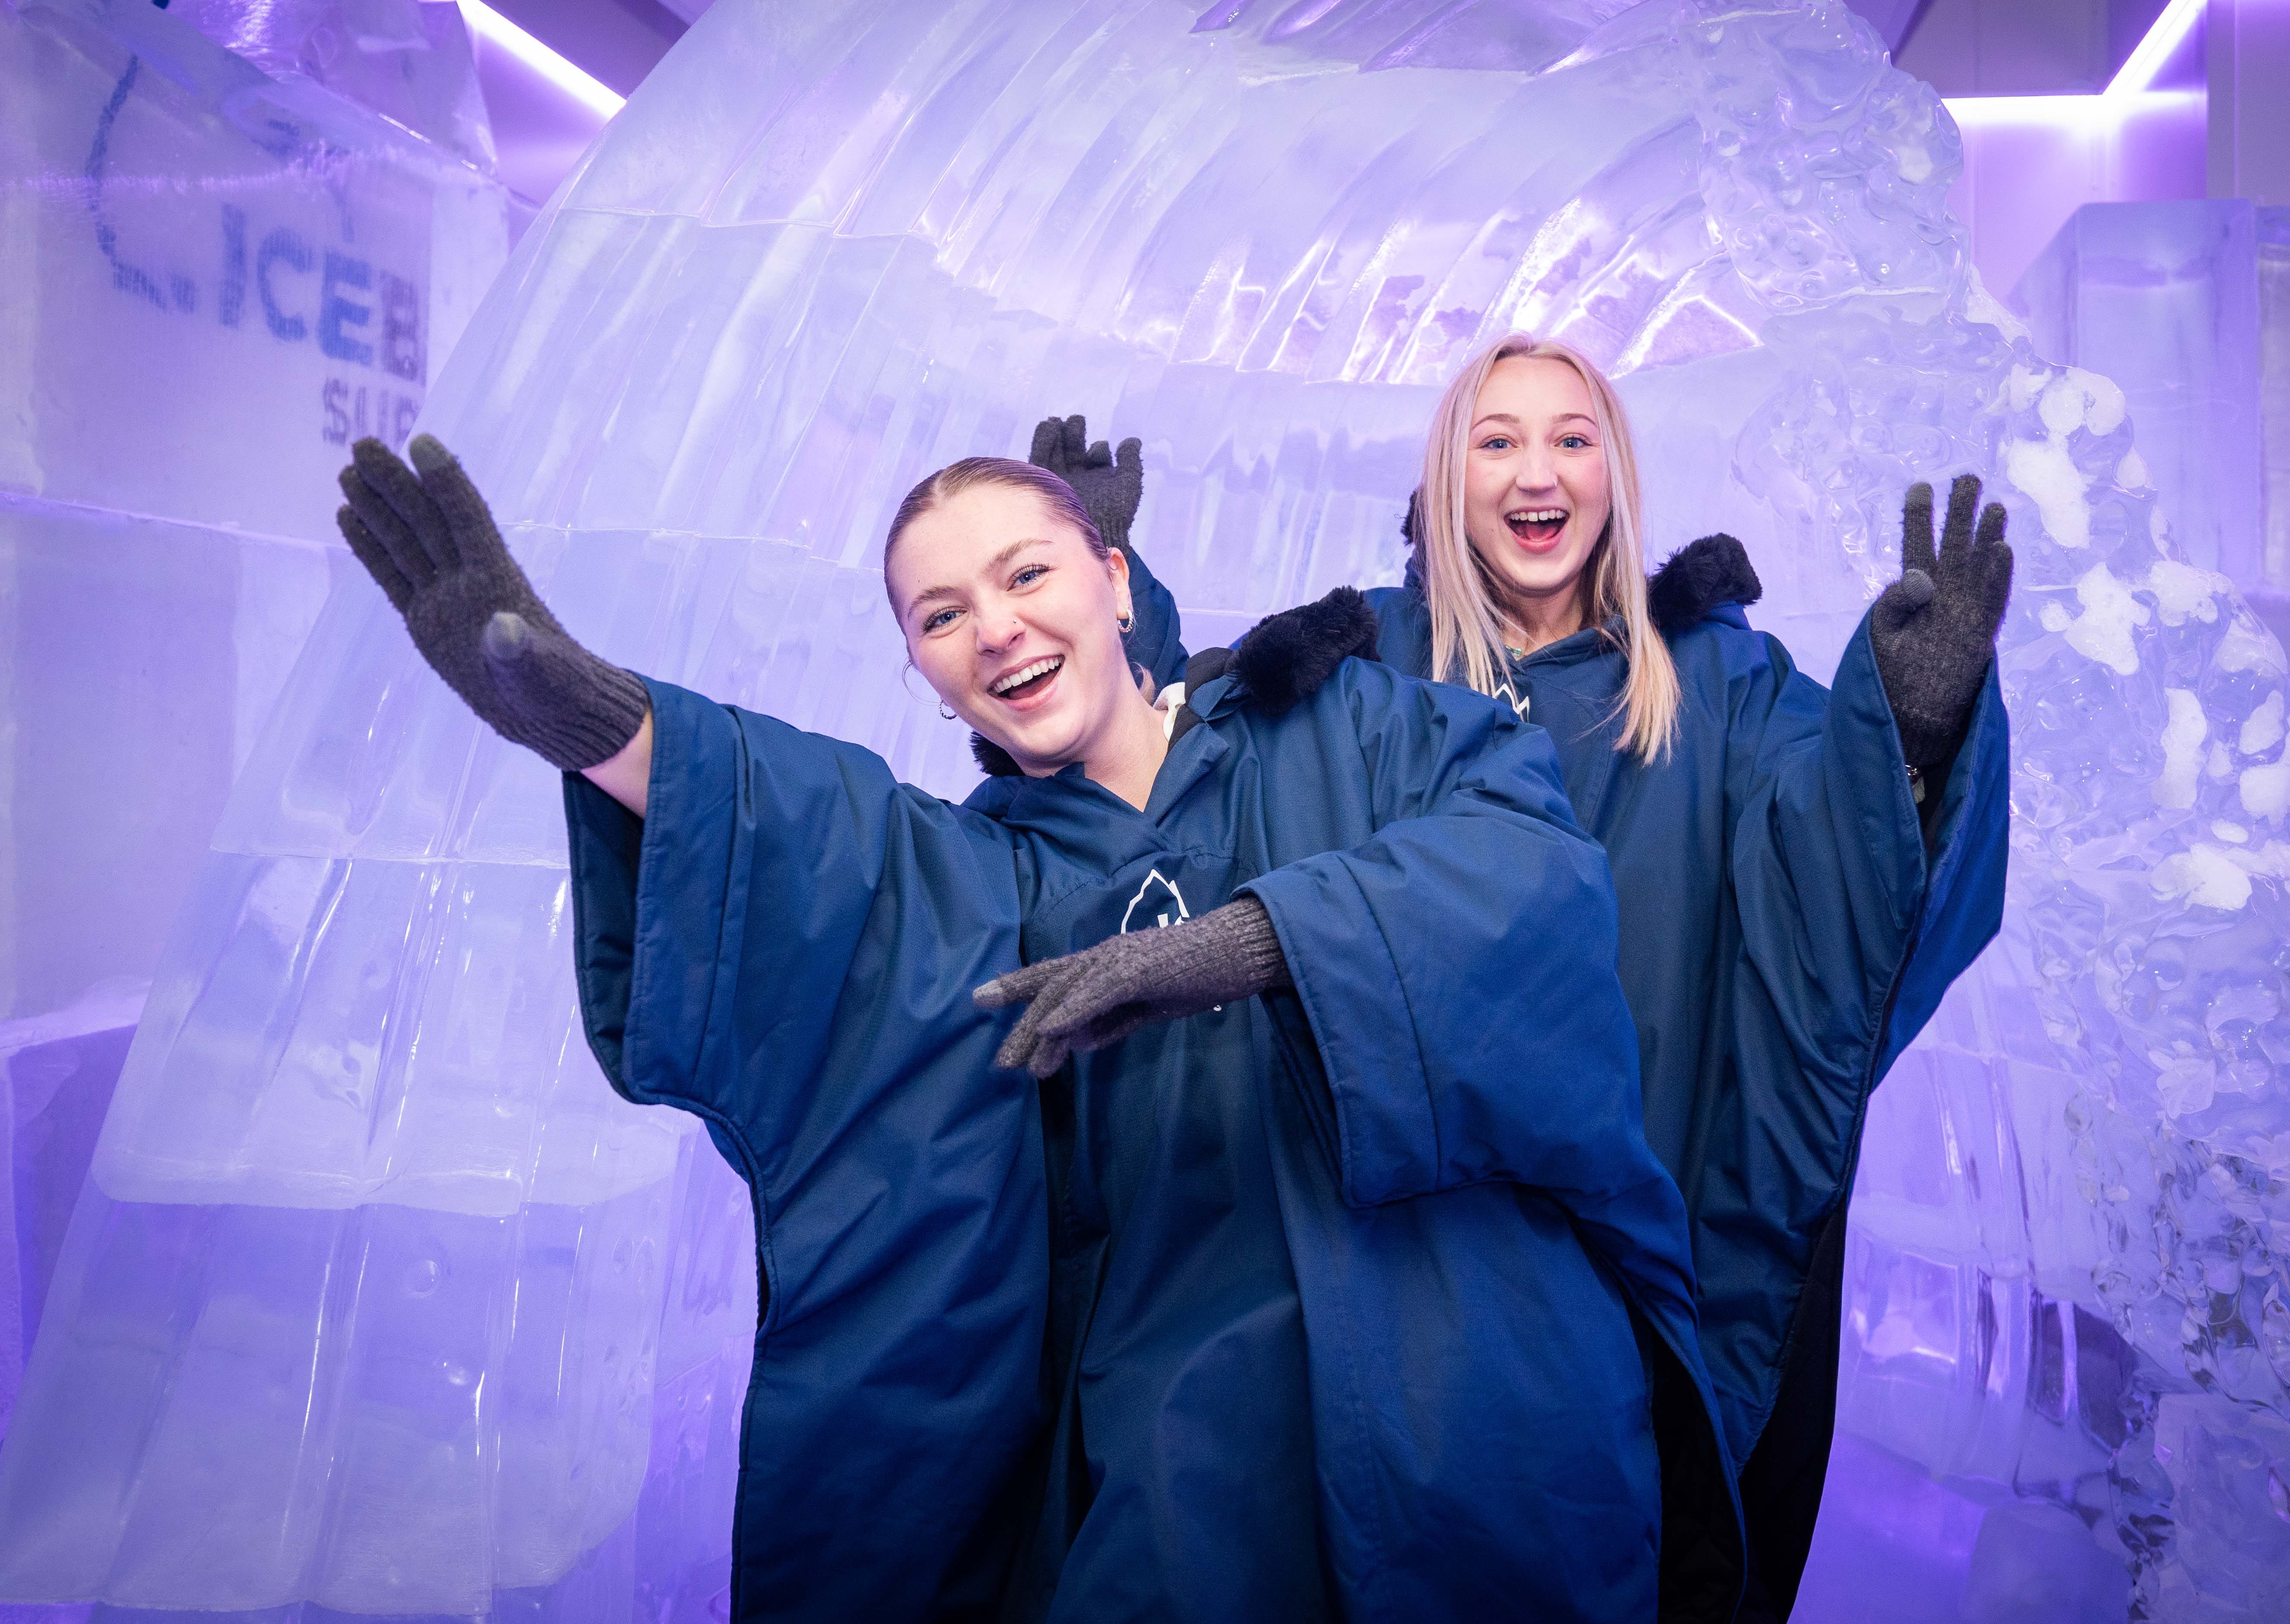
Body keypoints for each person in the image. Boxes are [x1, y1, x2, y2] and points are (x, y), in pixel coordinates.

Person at [333, 434, 1744, 1623]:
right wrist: (589, 720)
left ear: (1115, 581)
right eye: (940, 614)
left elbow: (1528, 860)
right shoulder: (978, 881)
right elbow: (813, 845)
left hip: (1479, 1371)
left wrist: (1255, 942)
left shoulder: (1346, 728)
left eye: (1026, 573)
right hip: (1187, 1444)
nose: (993, 625)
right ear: (921, 670)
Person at [1078, 332, 2011, 1622]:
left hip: (1643, 1178)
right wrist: (1102, 592)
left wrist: (1911, 728)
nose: (1538, 470)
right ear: (1444, 481)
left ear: (1615, 478)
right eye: (1496, 438)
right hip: (1407, 1225)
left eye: (1572, 438)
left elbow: (1836, 887)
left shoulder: (1715, 683)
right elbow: (1188, 764)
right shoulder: (1358, 666)